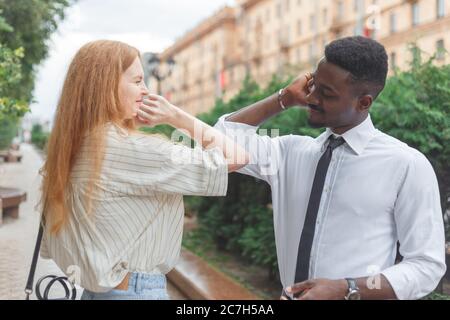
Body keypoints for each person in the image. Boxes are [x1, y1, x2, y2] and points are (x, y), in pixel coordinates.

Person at [214, 36, 446, 300]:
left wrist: (347, 288)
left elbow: (427, 265)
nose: (311, 98)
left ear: (364, 102)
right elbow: (220, 140)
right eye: (313, 85)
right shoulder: (290, 153)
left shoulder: (406, 165)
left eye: (326, 93)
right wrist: (284, 98)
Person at [39, 40, 249, 300]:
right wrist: (175, 116)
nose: (146, 90)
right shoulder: (127, 149)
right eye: (138, 81)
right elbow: (237, 156)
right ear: (106, 85)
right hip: (134, 291)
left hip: (95, 291)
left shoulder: (72, 145)